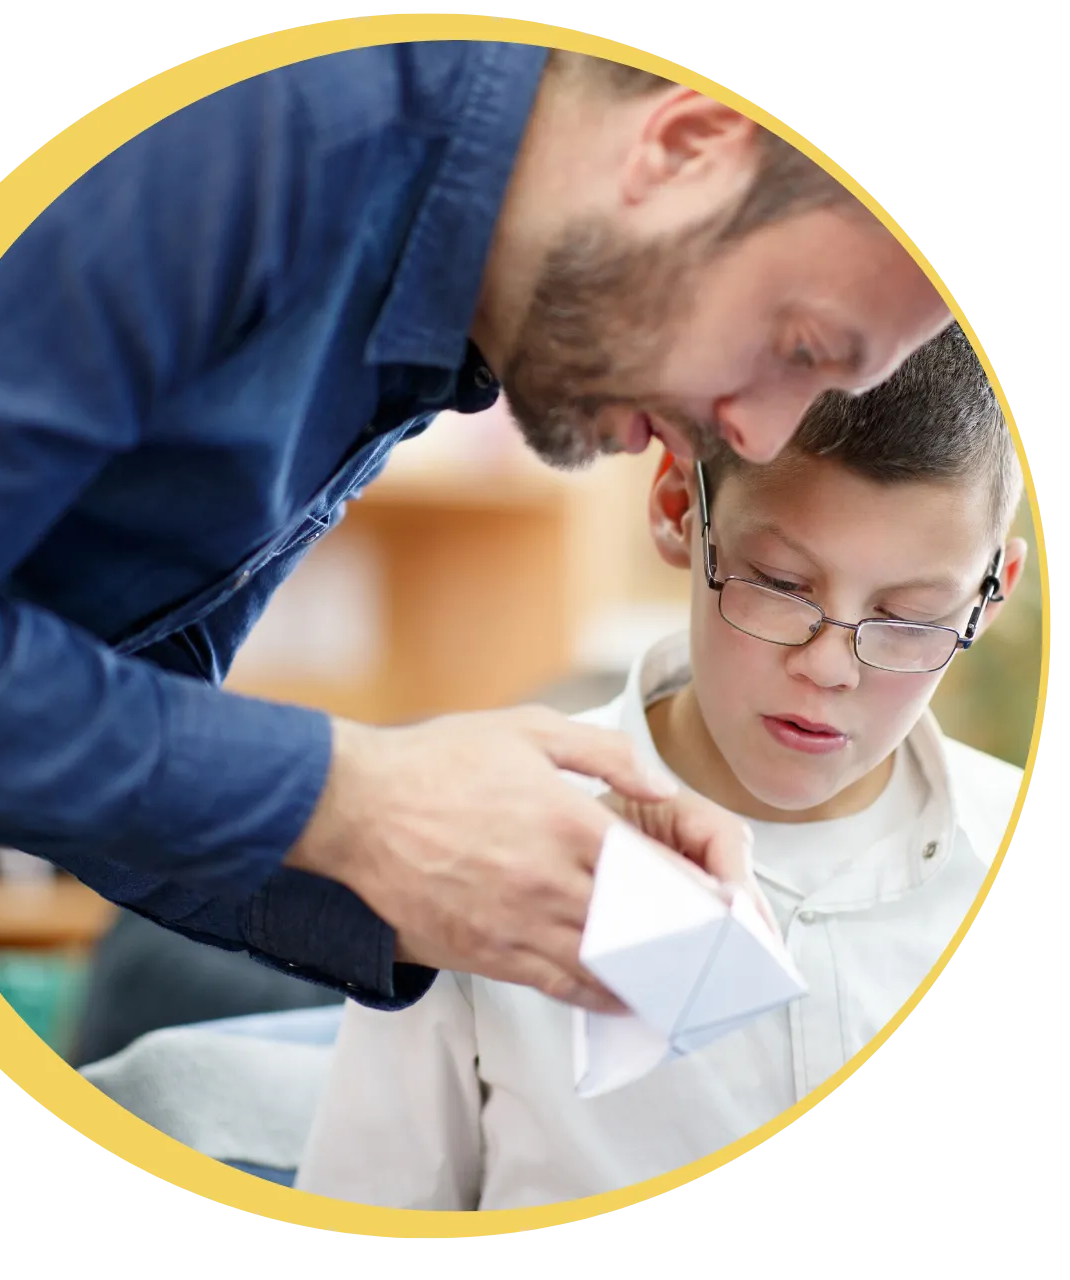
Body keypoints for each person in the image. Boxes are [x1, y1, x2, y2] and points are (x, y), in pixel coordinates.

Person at [0, 41, 950, 1020]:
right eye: (797, 345)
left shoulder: (429, 322)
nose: (757, 439)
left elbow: (94, 704)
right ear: (681, 146)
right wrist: (347, 796)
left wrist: (435, 864)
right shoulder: (262, 125)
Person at [293, 324, 1028, 1209]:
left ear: (992, 593)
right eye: (783, 584)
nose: (831, 665)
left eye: (911, 616)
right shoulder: (480, 841)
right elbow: (366, 1208)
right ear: (681, 510)